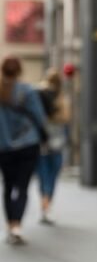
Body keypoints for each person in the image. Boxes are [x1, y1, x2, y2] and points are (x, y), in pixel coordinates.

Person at [0, 56, 48, 245]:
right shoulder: (27, 90)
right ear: (19, 71)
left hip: (3, 147)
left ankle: (10, 225)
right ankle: (17, 225)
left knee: (8, 185)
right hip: (28, 145)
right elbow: (39, 116)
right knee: (22, 186)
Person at [36, 68, 70, 224]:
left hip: (41, 141)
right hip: (56, 140)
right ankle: (47, 204)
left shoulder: (37, 94)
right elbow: (66, 120)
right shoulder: (61, 98)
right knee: (52, 173)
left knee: (43, 174)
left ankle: (45, 203)